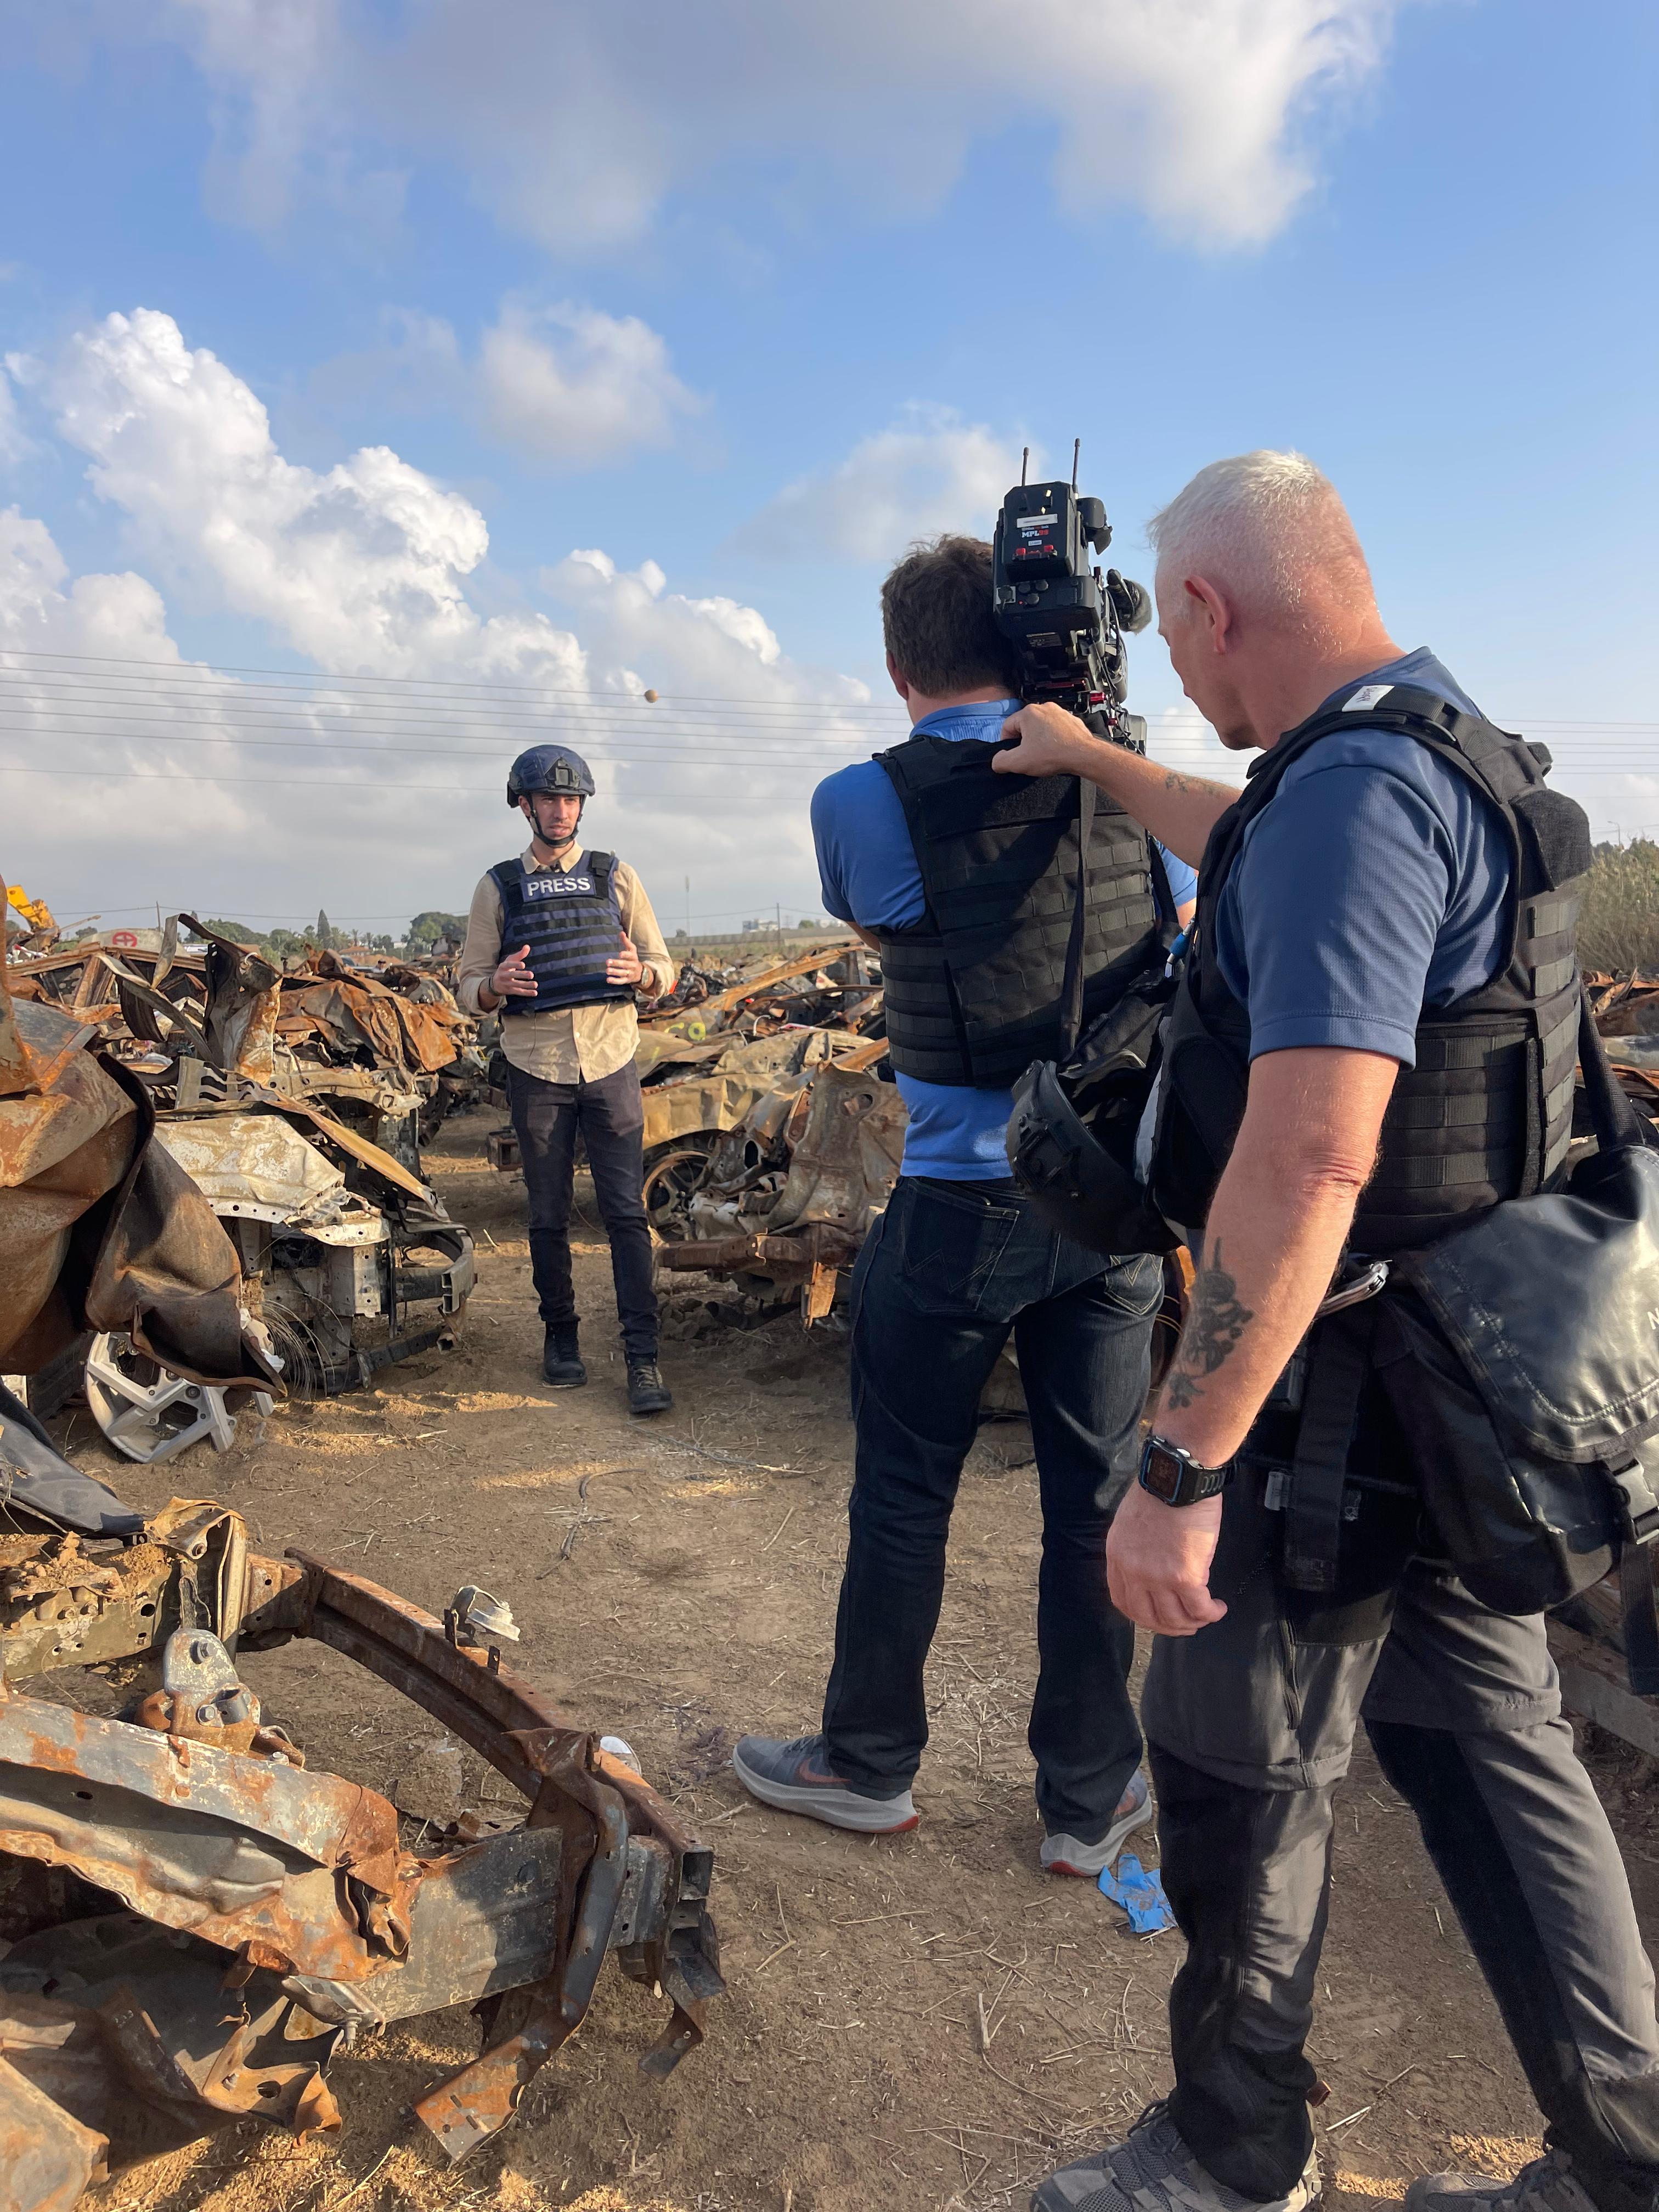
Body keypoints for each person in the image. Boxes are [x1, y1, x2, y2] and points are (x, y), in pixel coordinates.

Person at [994, 454, 1659, 2212]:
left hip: (1338, 1406)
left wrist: (1180, 1465)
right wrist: (1102, 764)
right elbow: (1250, 834)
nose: (1177, 670)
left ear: (1210, 608)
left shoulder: (1353, 797)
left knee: (1236, 1763)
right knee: (1498, 1758)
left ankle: (1235, 2154)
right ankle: (1630, 2164)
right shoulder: (1434, 750)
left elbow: (1311, 1158)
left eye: (1176, 639)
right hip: (1465, 1389)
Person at [733, 535, 1197, 1874]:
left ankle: (867, 1766)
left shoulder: (857, 799)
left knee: (902, 1496)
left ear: (899, 668)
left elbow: (882, 927)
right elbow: (1177, 929)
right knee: (1091, 1502)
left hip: (957, 1203)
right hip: (1111, 1205)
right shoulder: (1131, 779)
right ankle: (1089, 1800)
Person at [457, 743, 676, 1417]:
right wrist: (494, 985)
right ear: (524, 806)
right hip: (538, 1067)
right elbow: (466, 987)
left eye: (571, 799)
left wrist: (642, 973)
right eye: (548, 799)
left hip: (611, 1062)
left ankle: (643, 1357)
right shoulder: (498, 887)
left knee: (626, 1214)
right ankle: (561, 1338)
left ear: (582, 806)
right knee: (548, 1215)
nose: (561, 810)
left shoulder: (616, 876)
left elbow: (665, 969)